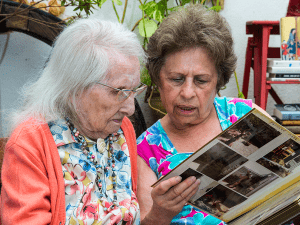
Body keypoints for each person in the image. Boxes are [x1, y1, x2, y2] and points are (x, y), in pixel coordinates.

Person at [1, 18, 150, 225]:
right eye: (118, 92)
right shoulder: (30, 144)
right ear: (75, 88)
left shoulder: (122, 129)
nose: (130, 108)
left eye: (133, 90)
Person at [136, 4, 272, 225]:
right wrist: (160, 214)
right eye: (176, 79)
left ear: (218, 81)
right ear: (158, 79)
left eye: (201, 81)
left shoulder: (245, 115)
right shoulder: (146, 150)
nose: (187, 93)